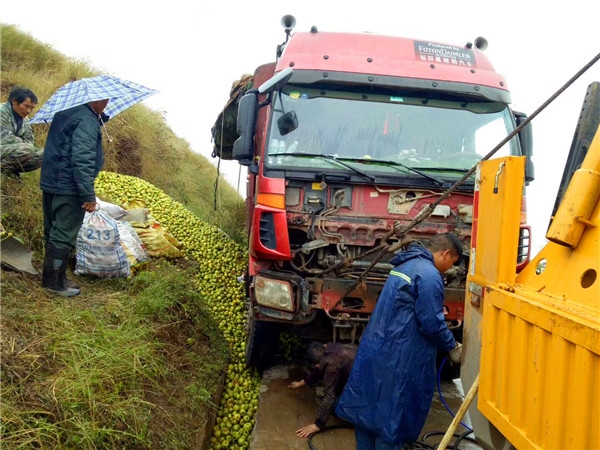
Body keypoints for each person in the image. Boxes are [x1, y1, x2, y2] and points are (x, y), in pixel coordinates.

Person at [335, 233, 464, 449]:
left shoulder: (405, 265)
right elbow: (431, 323)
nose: (451, 267)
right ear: (446, 253)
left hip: (377, 348)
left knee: (369, 412)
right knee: (392, 419)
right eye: (453, 262)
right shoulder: (430, 275)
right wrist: (452, 345)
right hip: (402, 356)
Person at [40, 99, 110, 297]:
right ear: (97, 100)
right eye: (105, 102)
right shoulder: (87, 120)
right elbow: (82, 158)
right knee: (63, 234)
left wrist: (100, 119)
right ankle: (53, 283)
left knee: (52, 230)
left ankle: (56, 277)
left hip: (52, 182)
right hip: (69, 187)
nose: (106, 105)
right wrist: (88, 194)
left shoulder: (65, 113)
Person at [288, 341, 356, 438]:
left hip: (364, 391)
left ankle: (355, 415)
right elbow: (318, 371)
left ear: (317, 364)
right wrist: (300, 383)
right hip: (361, 374)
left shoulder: (331, 367)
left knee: (334, 405)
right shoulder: (331, 347)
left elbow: (329, 397)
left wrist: (318, 424)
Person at [0, 86, 44, 175]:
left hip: (9, 150)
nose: (28, 111)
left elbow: (30, 140)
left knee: (44, 154)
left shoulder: (25, 119)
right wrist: (23, 142)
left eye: (31, 108)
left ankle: (10, 171)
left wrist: (23, 144)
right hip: (3, 147)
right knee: (27, 149)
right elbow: (5, 139)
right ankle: (3, 170)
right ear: (14, 101)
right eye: (26, 106)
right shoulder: (2, 112)